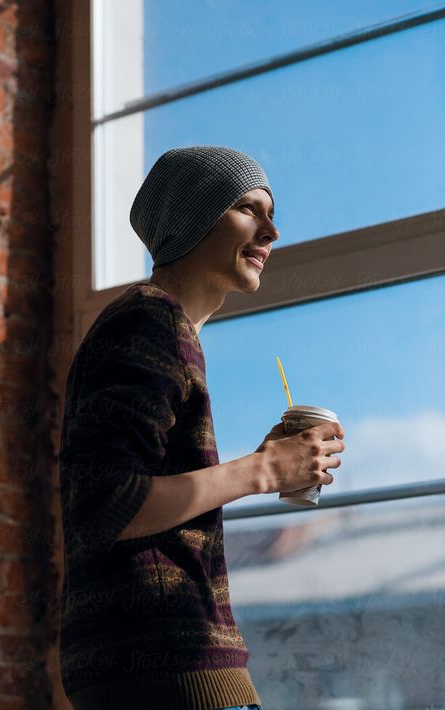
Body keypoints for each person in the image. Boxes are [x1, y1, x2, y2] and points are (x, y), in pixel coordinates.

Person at [58, 146, 345, 710]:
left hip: (146, 665)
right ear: (194, 219)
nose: (272, 230)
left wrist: (263, 464)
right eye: (248, 208)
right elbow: (107, 502)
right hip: (168, 666)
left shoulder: (161, 328)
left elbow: (130, 496)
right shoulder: (151, 320)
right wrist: (263, 470)